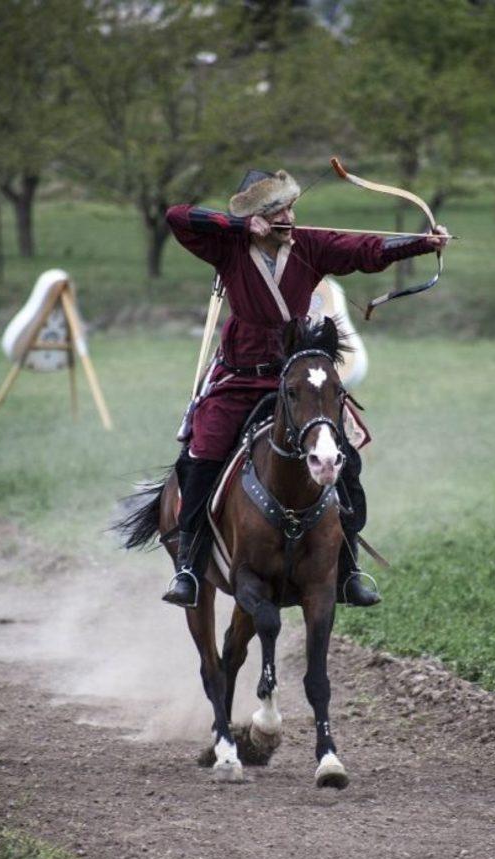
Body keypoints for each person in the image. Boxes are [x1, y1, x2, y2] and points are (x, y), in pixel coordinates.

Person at [163, 168, 449, 610]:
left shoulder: (309, 245)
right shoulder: (228, 247)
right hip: (239, 377)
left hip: (295, 377)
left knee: (345, 457)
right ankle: (190, 567)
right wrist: (240, 225)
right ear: (260, 216)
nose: (291, 218)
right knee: (201, 457)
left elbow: (364, 250)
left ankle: (349, 570)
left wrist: (420, 242)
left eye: (292, 208)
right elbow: (177, 215)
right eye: (280, 211)